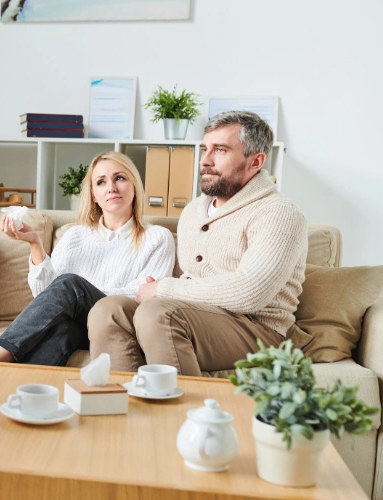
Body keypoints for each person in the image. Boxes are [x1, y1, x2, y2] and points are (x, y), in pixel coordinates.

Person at [0, 152, 175, 400]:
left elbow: (143, 296)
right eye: (101, 182)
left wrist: (83, 293)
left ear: (134, 186)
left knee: (72, 284)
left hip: (115, 322)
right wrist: (35, 245)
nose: (111, 187)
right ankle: (5, 406)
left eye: (120, 178)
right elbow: (47, 297)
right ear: (94, 195)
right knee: (61, 330)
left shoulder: (157, 237)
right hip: (78, 325)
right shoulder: (76, 235)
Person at [87, 111, 308, 376]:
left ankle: (177, 415)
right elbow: (186, 277)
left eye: (220, 150)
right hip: (193, 317)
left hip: (258, 330)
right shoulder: (193, 211)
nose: (205, 160)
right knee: (107, 309)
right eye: (205, 149)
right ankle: (118, 407)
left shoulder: (279, 213)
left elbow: (250, 292)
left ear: (255, 161)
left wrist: (164, 289)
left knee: (158, 314)